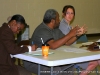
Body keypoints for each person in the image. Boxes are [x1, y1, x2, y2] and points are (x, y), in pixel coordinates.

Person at [23, 9, 86, 75]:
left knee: (69, 66)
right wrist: (70, 34)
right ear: (52, 21)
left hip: (49, 58)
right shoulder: (42, 30)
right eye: (58, 19)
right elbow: (52, 45)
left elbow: (67, 42)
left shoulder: (56, 30)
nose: (59, 21)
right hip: (34, 62)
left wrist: (77, 35)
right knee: (55, 70)